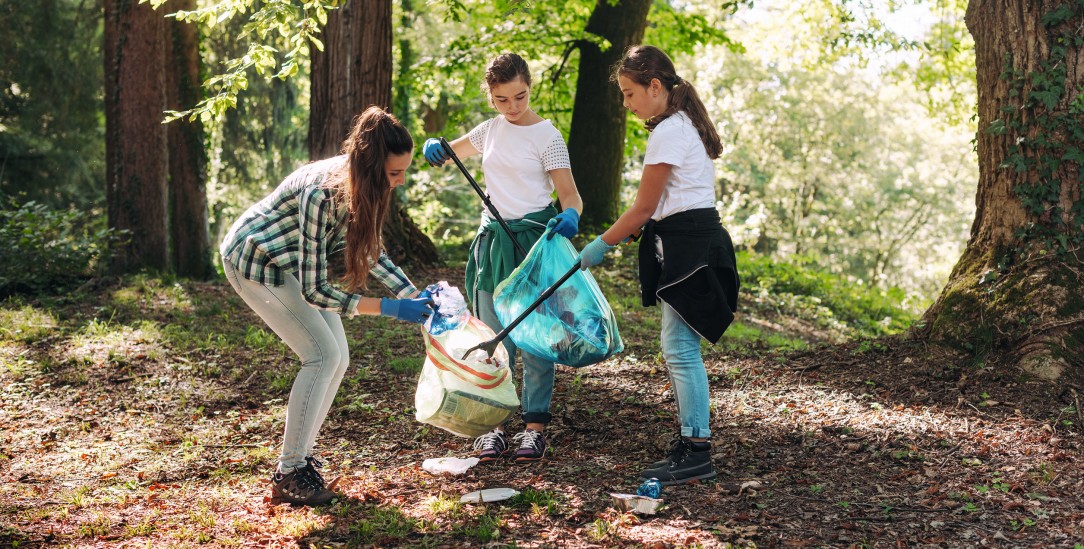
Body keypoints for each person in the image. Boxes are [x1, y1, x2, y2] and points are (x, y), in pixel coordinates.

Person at [220, 106, 435, 506]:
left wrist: (413, 295)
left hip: (291, 262)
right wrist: (390, 309)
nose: (399, 182)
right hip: (253, 261)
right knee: (320, 357)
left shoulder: (362, 186)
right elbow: (317, 291)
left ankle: (299, 461)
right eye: (394, 174)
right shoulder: (322, 191)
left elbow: (371, 252)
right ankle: (289, 472)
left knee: (338, 358)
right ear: (371, 166)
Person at [578, 45, 740, 486]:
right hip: (691, 243)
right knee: (678, 349)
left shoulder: (669, 131)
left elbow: (644, 207)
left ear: (655, 86)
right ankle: (692, 443)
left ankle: (697, 451)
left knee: (681, 351)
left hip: (690, 250)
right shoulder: (681, 124)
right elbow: (663, 206)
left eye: (630, 94)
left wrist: (597, 246)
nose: (626, 104)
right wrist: (628, 233)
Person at [421, 53, 584, 463]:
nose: (512, 107)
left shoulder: (547, 136)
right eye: (501, 100)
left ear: (530, 86)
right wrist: (434, 148)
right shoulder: (489, 131)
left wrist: (571, 216)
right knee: (491, 338)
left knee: (535, 338)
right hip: (493, 244)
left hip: (532, 244)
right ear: (490, 97)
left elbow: (571, 195)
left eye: (520, 96)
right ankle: (493, 427)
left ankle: (534, 428)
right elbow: (448, 152)